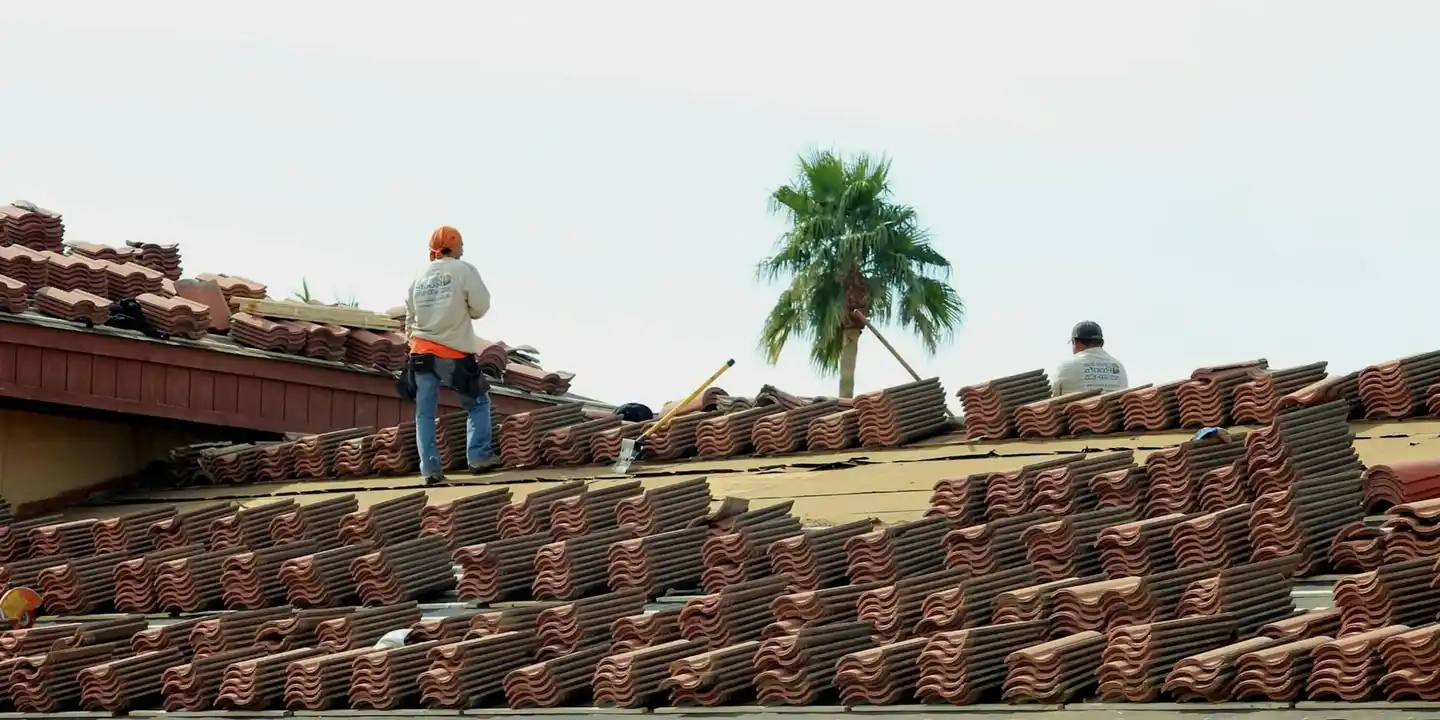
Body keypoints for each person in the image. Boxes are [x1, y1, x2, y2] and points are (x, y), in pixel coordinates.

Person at [404, 226, 500, 484]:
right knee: (477, 403)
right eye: (462, 245)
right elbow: (480, 307)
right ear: (454, 247)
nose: (464, 250)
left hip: (421, 353)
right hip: (454, 353)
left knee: (424, 414)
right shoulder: (464, 271)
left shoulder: (419, 276)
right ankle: (479, 457)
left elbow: (409, 317)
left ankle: (430, 470)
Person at [1053, 320, 1129, 397]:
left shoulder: (1065, 366)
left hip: (1075, 408)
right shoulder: (1118, 366)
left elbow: (1051, 398)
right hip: (1115, 408)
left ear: (1075, 342)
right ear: (1102, 343)